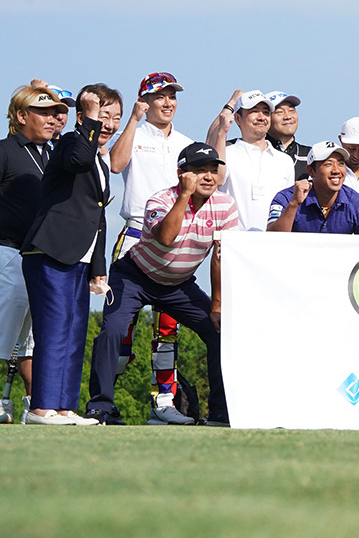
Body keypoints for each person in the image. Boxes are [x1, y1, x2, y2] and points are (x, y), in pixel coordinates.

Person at [85, 143, 242, 426]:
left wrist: (217, 305)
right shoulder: (160, 200)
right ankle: (100, 407)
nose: (208, 176)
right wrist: (184, 196)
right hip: (134, 276)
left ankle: (220, 412)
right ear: (181, 173)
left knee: (220, 332)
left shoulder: (226, 205)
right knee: (113, 331)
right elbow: (166, 238)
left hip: (178, 285)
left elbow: (221, 258)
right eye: (198, 171)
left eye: (212, 171)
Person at [0, 85, 66, 424]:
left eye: (55, 113)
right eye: (43, 113)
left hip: (44, 259)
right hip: (9, 254)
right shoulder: (2, 150)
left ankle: (37, 406)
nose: (52, 119)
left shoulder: (53, 154)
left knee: (37, 339)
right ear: (21, 116)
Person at [19, 85, 122, 425]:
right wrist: (88, 119)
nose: (109, 124)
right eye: (103, 115)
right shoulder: (68, 144)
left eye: (115, 118)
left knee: (75, 329)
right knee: (54, 328)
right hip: (50, 250)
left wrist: (99, 267)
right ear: (84, 116)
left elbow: (99, 215)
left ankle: (63, 407)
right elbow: (77, 160)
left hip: (80, 255)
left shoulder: (100, 160)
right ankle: (41, 407)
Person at [107, 71, 195, 426]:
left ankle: (164, 402)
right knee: (119, 328)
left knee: (167, 330)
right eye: (160, 96)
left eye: (172, 95)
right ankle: (104, 399)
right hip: (135, 235)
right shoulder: (136, 133)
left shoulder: (186, 143)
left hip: (176, 243)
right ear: (145, 100)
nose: (168, 102)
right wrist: (132, 119)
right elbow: (115, 164)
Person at [213, 90, 296, 231]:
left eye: (266, 112)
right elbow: (218, 180)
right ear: (238, 119)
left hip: (273, 243)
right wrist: (222, 131)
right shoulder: (226, 154)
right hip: (234, 244)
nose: (261, 117)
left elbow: (287, 205)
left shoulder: (285, 161)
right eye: (254, 111)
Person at [267, 141, 359, 235]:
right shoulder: (287, 198)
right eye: (328, 164)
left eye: (341, 164)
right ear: (311, 171)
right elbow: (273, 240)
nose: (336, 170)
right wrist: (294, 204)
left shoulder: (358, 203)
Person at [265, 91, 310, 180]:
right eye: (279, 112)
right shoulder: (255, 152)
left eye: (291, 110)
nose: (288, 116)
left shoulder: (310, 155)